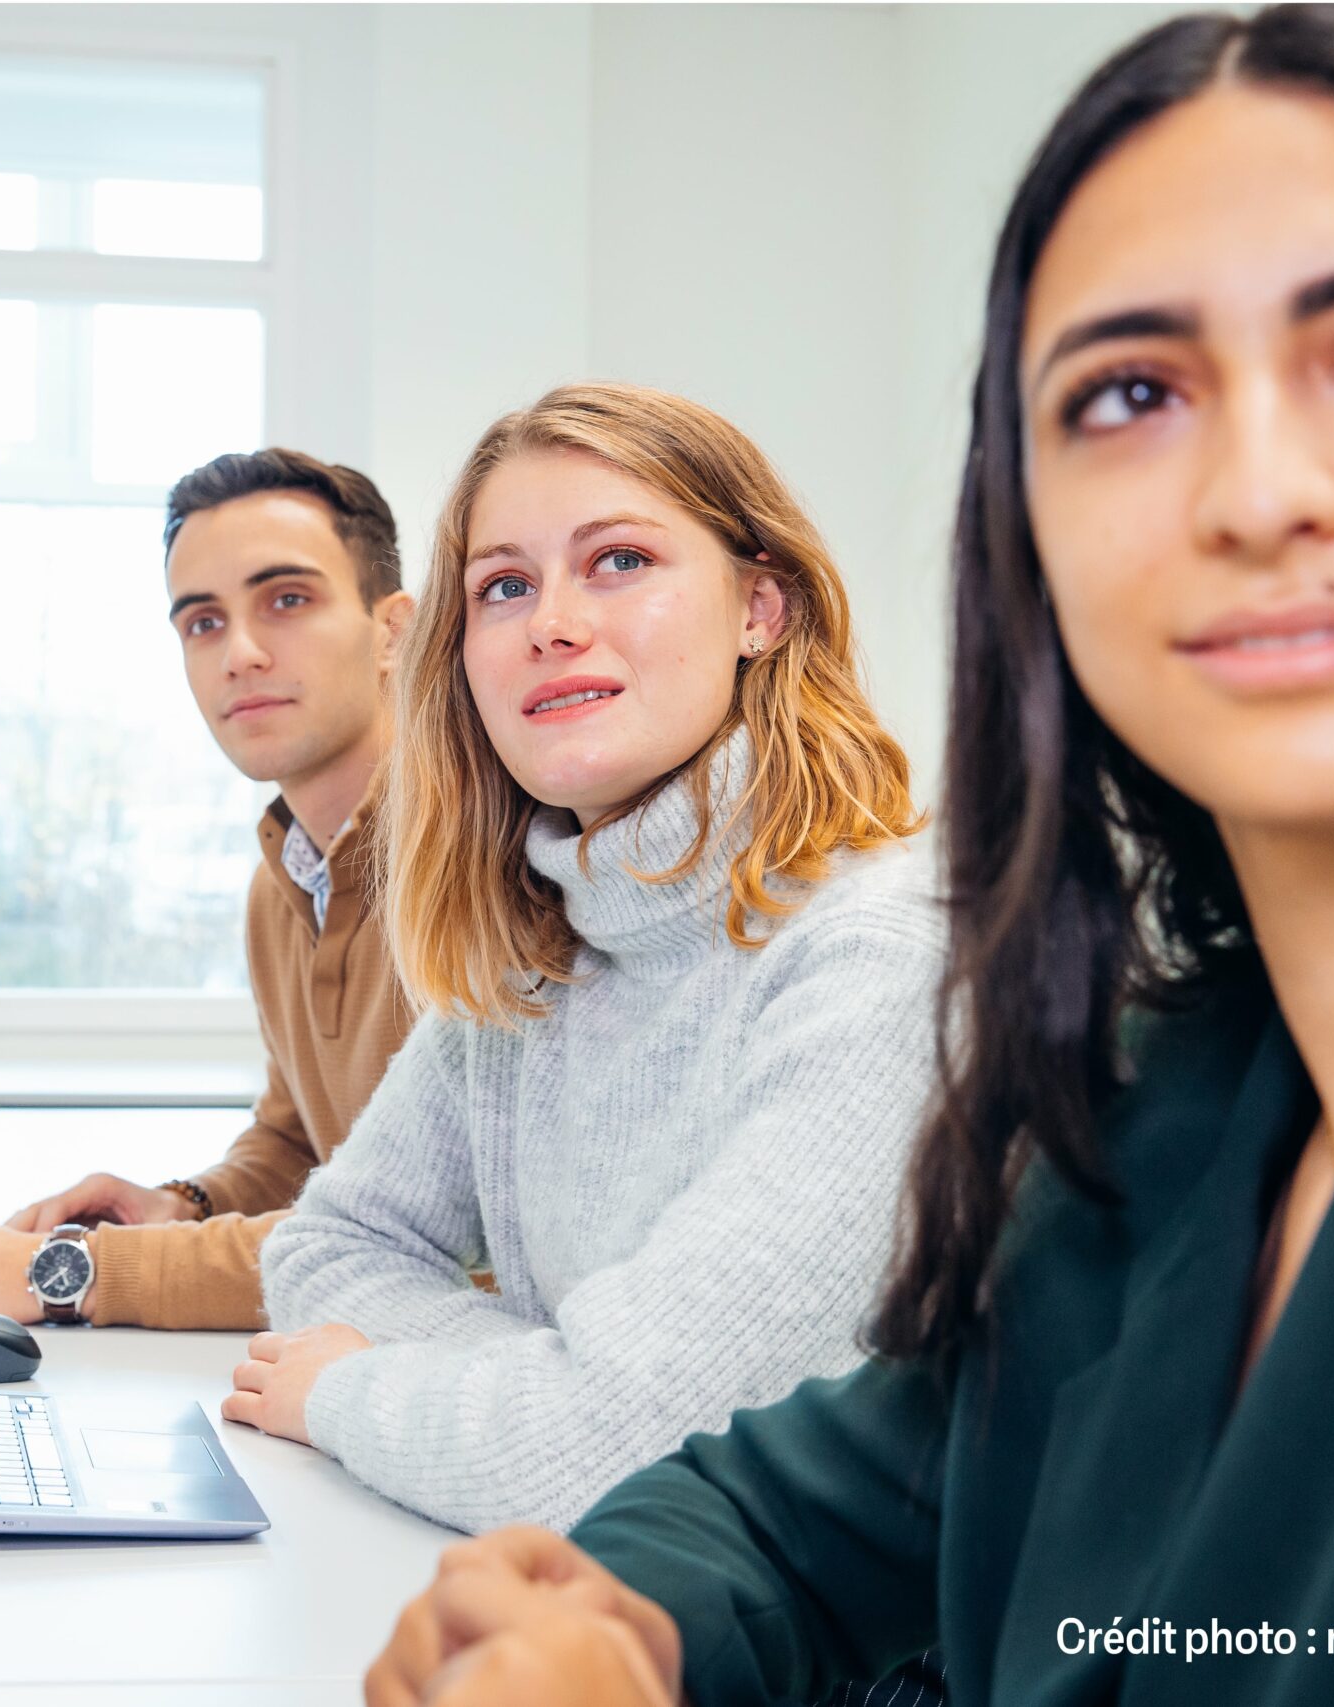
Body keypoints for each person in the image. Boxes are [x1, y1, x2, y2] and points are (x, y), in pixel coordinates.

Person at [365, 7, 1334, 1704]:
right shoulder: (1181, 1096)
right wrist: (619, 1628)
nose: (1259, 492)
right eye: (1130, 392)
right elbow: (803, 1512)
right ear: (1029, 523)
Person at [219, 382, 949, 1537]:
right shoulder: (536, 957)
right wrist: (556, 1380)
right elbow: (330, 1249)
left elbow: (611, 1464)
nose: (550, 622)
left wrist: (350, 1390)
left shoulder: (882, 960)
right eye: (504, 587)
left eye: (617, 562)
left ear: (761, 607)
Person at [0, 449, 418, 1331]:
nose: (240, 653)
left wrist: (59, 1270)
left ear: (392, 632)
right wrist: (188, 1201)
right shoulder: (282, 879)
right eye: (202, 622)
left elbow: (429, 1251)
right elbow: (304, 1144)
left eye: (287, 601)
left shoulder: (474, 875)